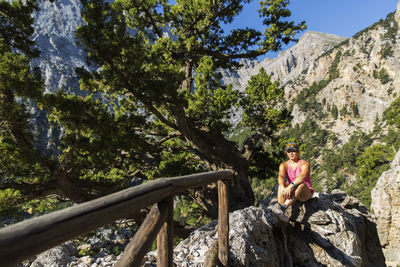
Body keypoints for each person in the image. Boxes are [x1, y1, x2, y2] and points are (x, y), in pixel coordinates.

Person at [277, 142, 314, 210]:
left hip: (304, 193)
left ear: (298, 152)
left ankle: (284, 207)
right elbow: (281, 176)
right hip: (293, 190)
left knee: (301, 185)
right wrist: (282, 187)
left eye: (293, 151)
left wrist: (290, 186)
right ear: (286, 153)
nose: (291, 153)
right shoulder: (284, 165)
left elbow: (301, 177)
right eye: (289, 151)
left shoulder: (304, 164)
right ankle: (279, 209)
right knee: (280, 186)